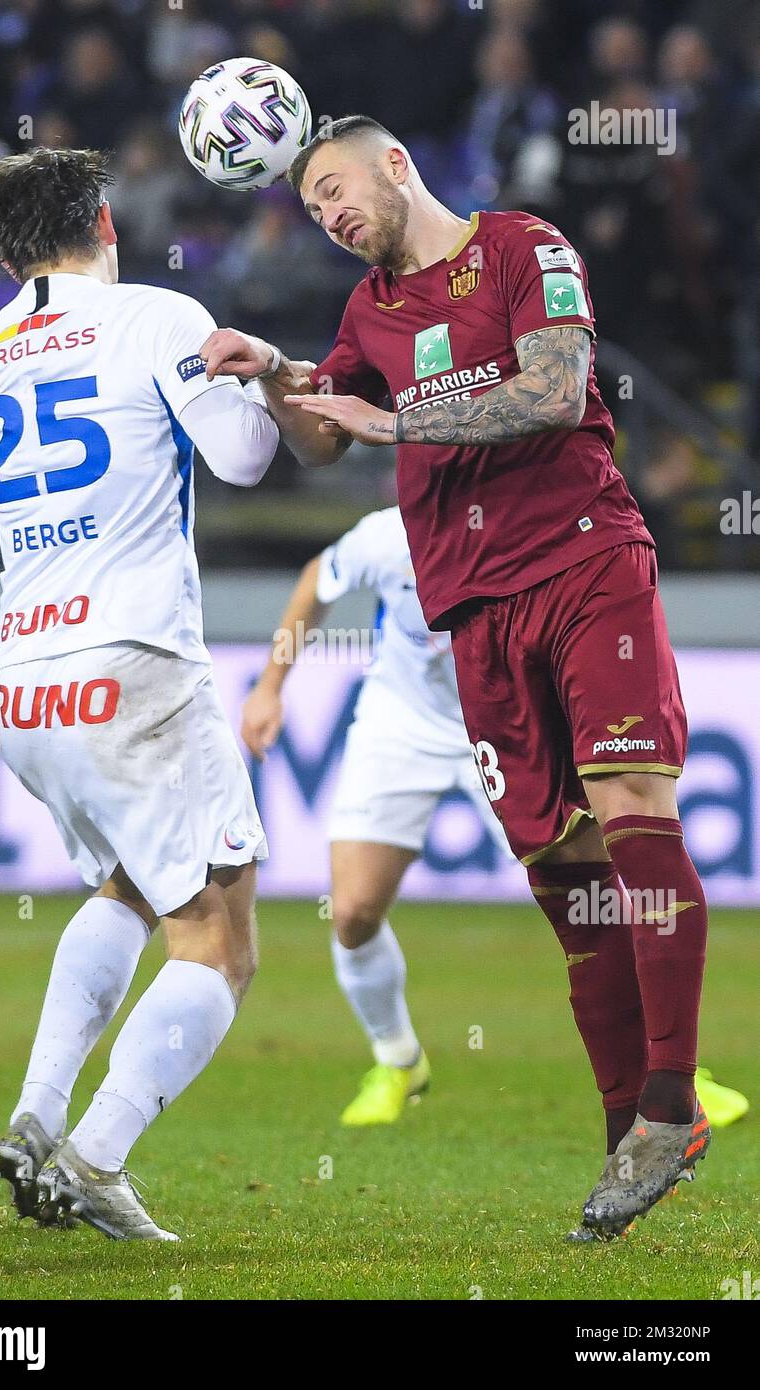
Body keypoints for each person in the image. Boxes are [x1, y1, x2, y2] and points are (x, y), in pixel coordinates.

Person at [199, 114, 717, 1242]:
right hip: (468, 609)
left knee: (632, 802)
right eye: (313, 209)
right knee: (562, 871)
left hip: (582, 558)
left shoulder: (524, 249)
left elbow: (551, 386)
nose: (331, 216)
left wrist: (395, 417)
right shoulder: (363, 312)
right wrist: (280, 373)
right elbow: (319, 442)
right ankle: (625, 1124)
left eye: (338, 189)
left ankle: (673, 1099)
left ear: (396, 163)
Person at [0, 147, 278, 1240]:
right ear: (106, 220)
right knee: (219, 936)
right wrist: (268, 377)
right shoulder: (154, 315)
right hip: (133, 661)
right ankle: (93, 1157)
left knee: (132, 885)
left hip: (24, 678)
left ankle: (36, 1116)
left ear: (2, 253)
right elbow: (238, 461)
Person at [241, 506, 510, 1125]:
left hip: (504, 723)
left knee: (583, 893)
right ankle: (398, 1061)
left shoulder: (520, 520)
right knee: (354, 913)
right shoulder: (390, 534)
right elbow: (317, 578)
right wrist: (269, 686)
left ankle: (666, 1075)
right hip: (401, 721)